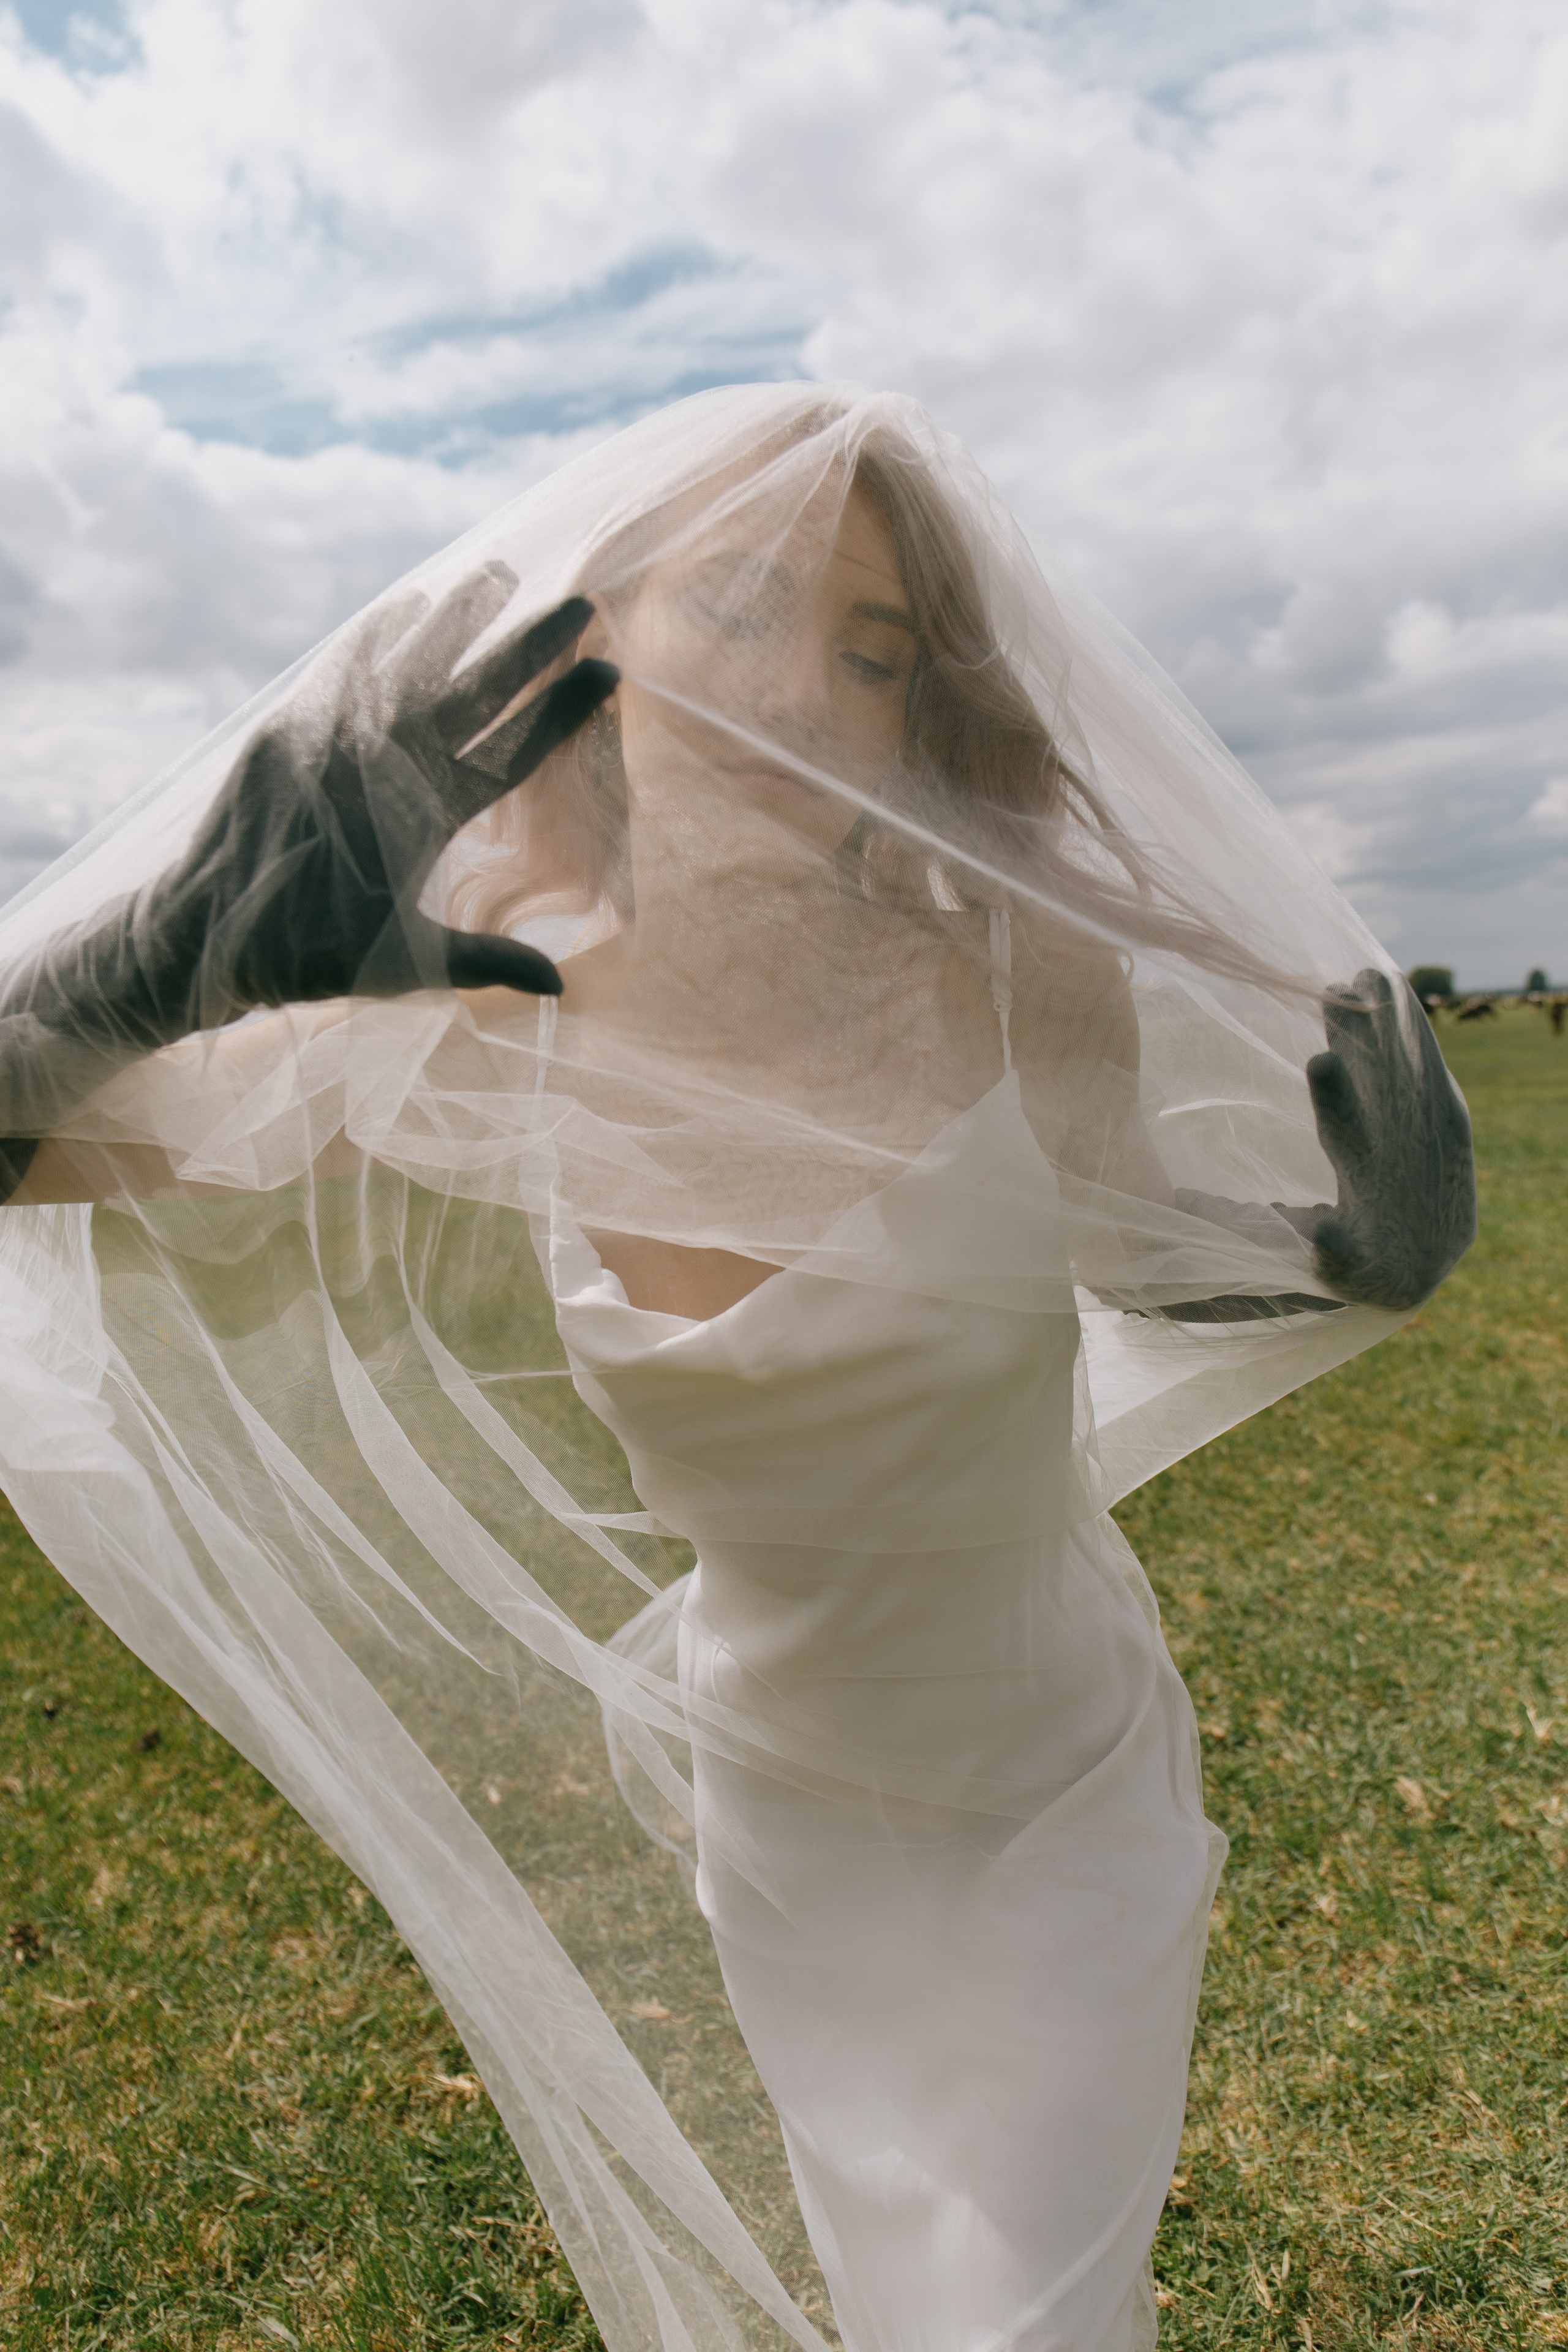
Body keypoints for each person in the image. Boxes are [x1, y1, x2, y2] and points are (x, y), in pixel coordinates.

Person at [0, 386, 1474, 2352]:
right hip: (787, 1825)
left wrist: (1327, 1258)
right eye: (747, 608)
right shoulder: (498, 1005)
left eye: (873, 651)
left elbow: (1134, 1251)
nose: (802, 692)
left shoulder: (1021, 973)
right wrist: (133, 964)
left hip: (1056, 1786)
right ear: (588, 641)